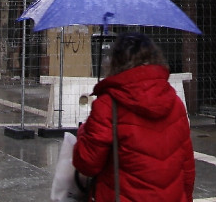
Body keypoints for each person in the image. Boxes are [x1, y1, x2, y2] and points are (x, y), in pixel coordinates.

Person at [72, 34, 194, 202]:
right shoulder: (175, 103)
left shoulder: (108, 105)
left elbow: (87, 163)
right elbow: (187, 168)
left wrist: (83, 133)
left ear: (116, 62)